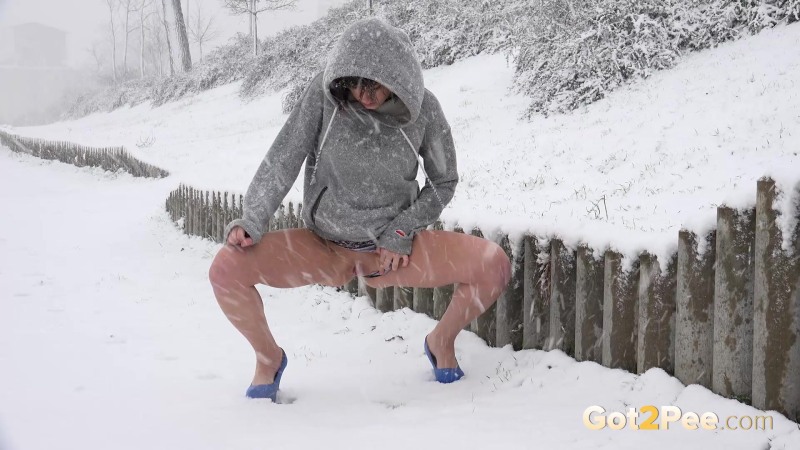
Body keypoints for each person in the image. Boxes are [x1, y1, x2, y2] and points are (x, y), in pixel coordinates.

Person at [208, 18, 512, 401]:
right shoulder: (324, 98)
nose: (363, 95)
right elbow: (283, 159)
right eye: (354, 84)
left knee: (494, 265)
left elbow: (443, 181)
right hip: (323, 247)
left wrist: (402, 230)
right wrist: (252, 217)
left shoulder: (424, 111)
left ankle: (441, 341)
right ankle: (268, 358)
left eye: (373, 85)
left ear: (397, 75)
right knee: (226, 268)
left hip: (393, 253)